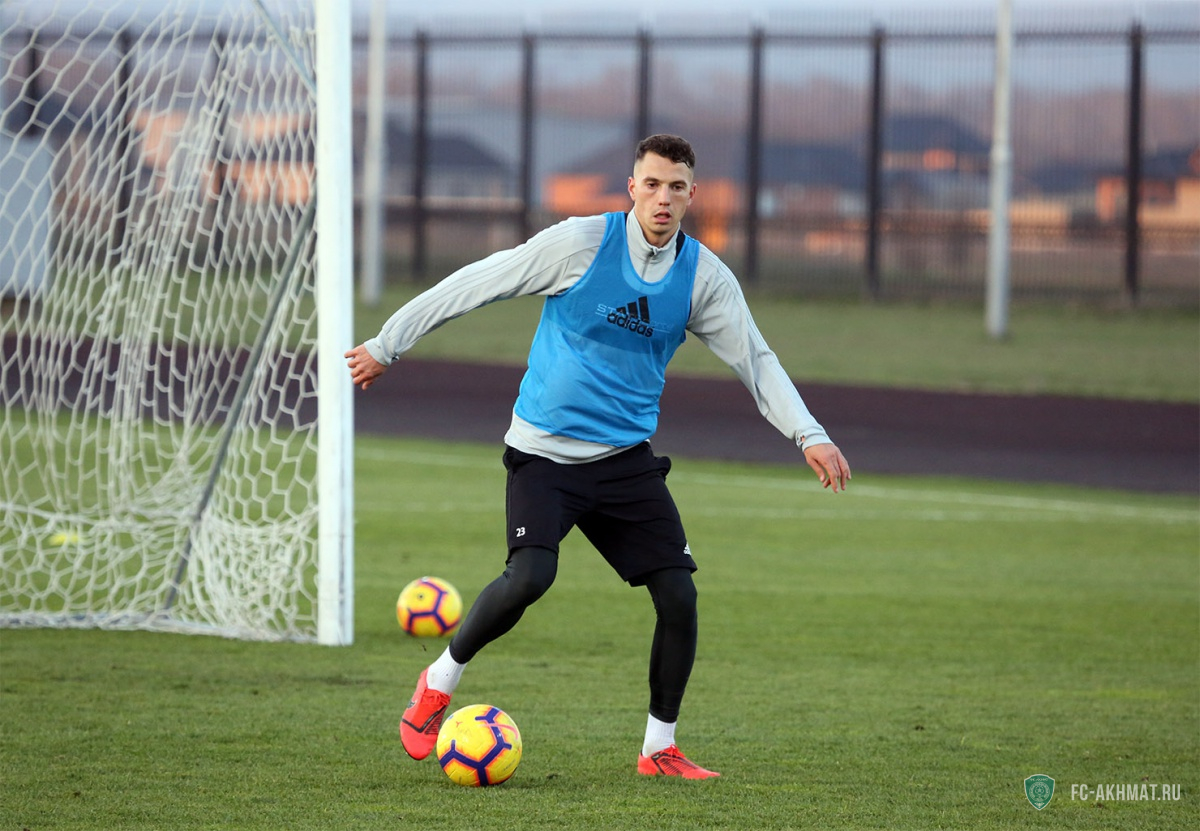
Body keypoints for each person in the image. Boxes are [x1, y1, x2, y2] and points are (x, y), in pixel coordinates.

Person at [345, 134, 850, 780]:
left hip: (623, 460)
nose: (663, 198)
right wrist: (387, 343)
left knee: (678, 595)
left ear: (692, 195)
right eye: (652, 184)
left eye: (676, 187)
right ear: (631, 188)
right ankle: (438, 681)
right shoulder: (581, 244)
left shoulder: (703, 277)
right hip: (543, 454)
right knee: (530, 577)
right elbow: (481, 281)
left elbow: (756, 359)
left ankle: (658, 749)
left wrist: (808, 433)